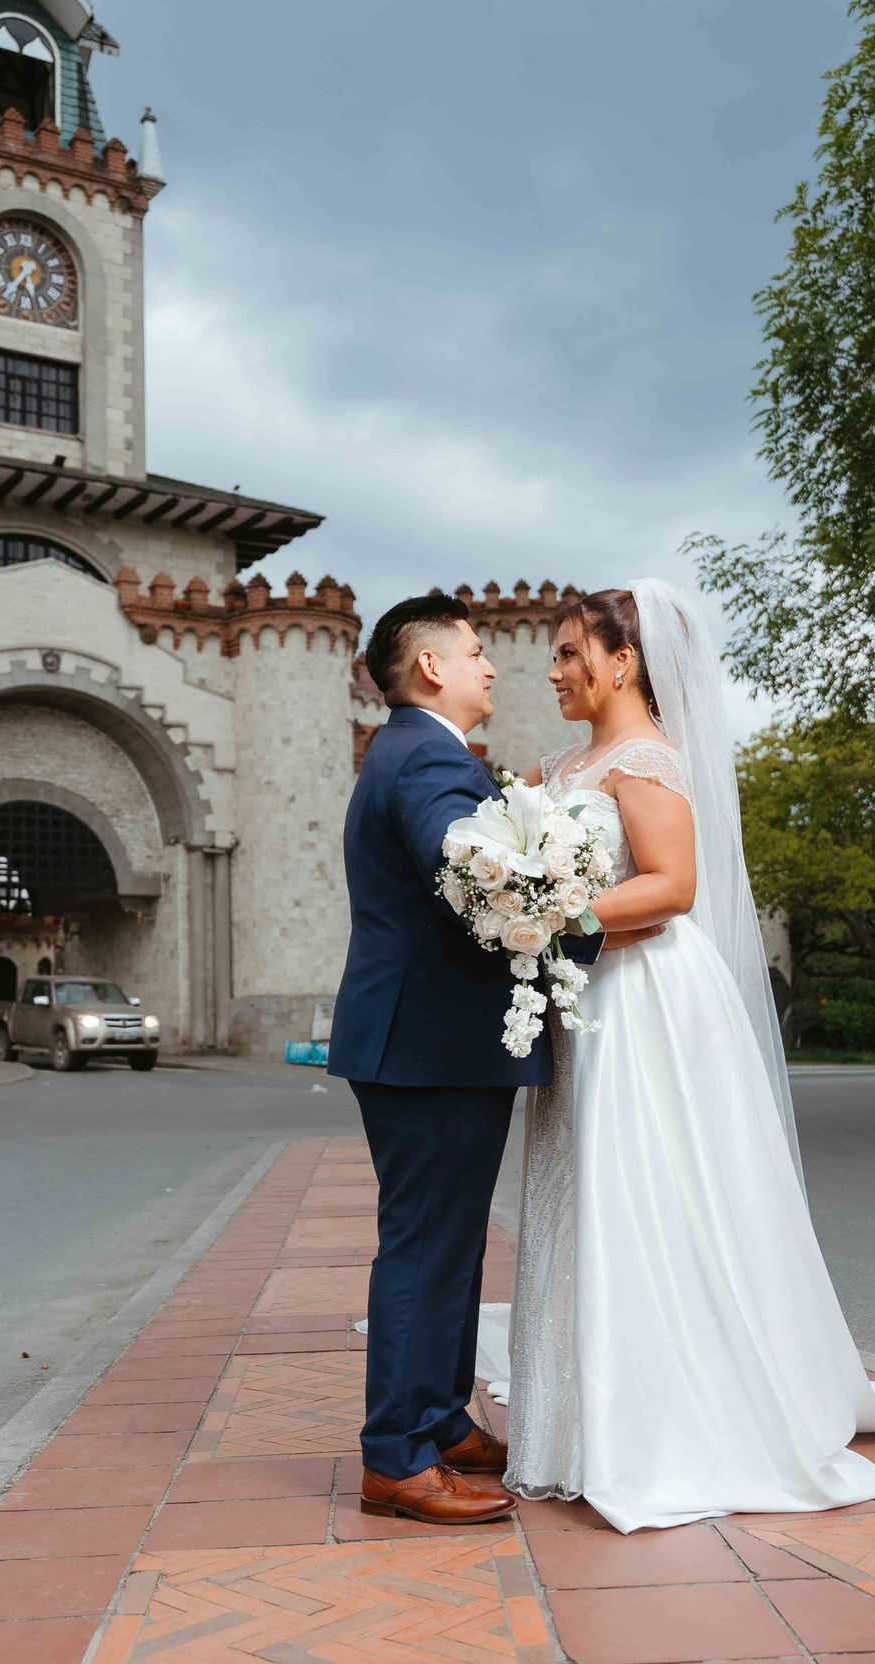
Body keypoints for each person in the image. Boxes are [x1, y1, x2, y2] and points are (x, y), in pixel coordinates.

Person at [498, 579, 875, 1532]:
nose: (556, 669)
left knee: (648, 1187)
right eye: (556, 653)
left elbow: (674, 885)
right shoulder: (563, 762)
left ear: (623, 660)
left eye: (571, 652)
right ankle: (578, 1418)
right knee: (584, 1189)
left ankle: (664, 1422)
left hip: (644, 997)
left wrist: (548, 913)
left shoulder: (647, 759)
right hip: (587, 997)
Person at [328, 593, 600, 1525]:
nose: (492, 665)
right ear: (432, 666)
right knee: (425, 1245)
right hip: (428, 1045)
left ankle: (441, 1421)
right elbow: (477, 880)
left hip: (431, 1041)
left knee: (452, 1243)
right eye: (477, 650)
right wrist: (572, 903)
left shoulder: (412, 751)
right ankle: (397, 1457)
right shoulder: (427, 758)